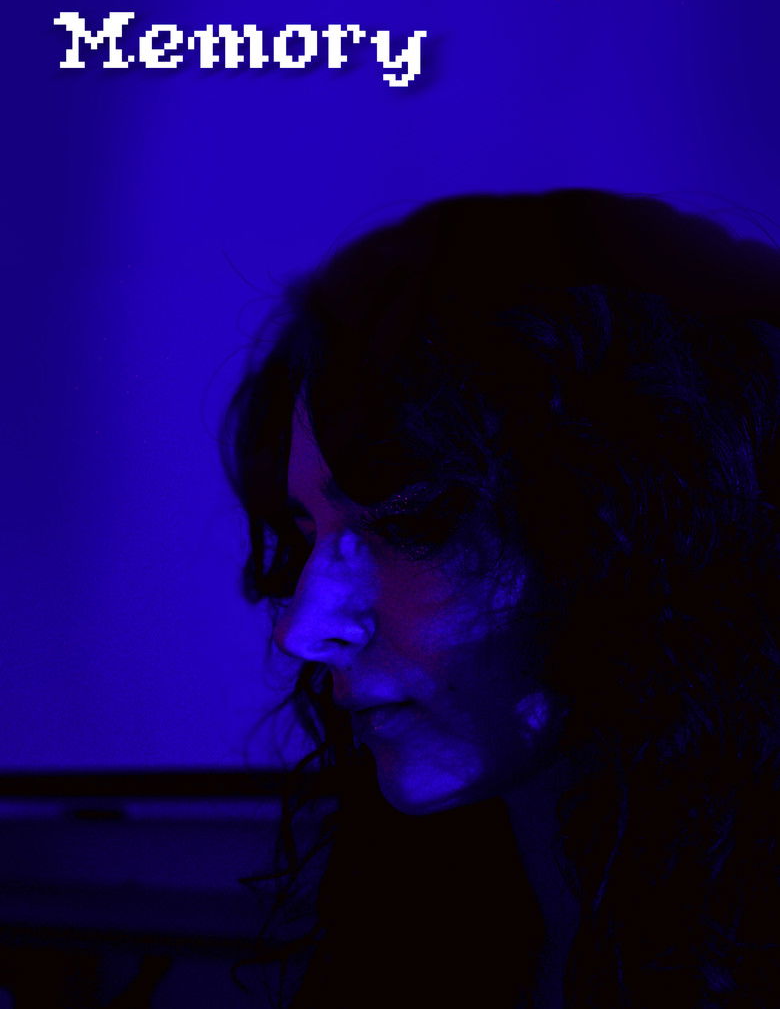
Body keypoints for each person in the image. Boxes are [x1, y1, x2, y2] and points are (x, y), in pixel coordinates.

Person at [221, 190, 780, 1009]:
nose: (303, 632)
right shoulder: (421, 926)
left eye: (412, 526)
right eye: (305, 537)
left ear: (635, 530)